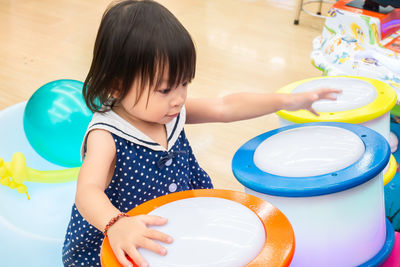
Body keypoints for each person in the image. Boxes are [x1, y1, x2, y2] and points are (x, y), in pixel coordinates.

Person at [62, 0, 340, 266]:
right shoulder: (107, 136)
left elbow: (225, 106)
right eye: (165, 89)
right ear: (116, 86)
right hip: (126, 240)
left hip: (181, 224)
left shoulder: (167, 111)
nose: (179, 98)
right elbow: (87, 191)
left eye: (184, 83)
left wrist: (289, 101)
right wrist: (116, 224)